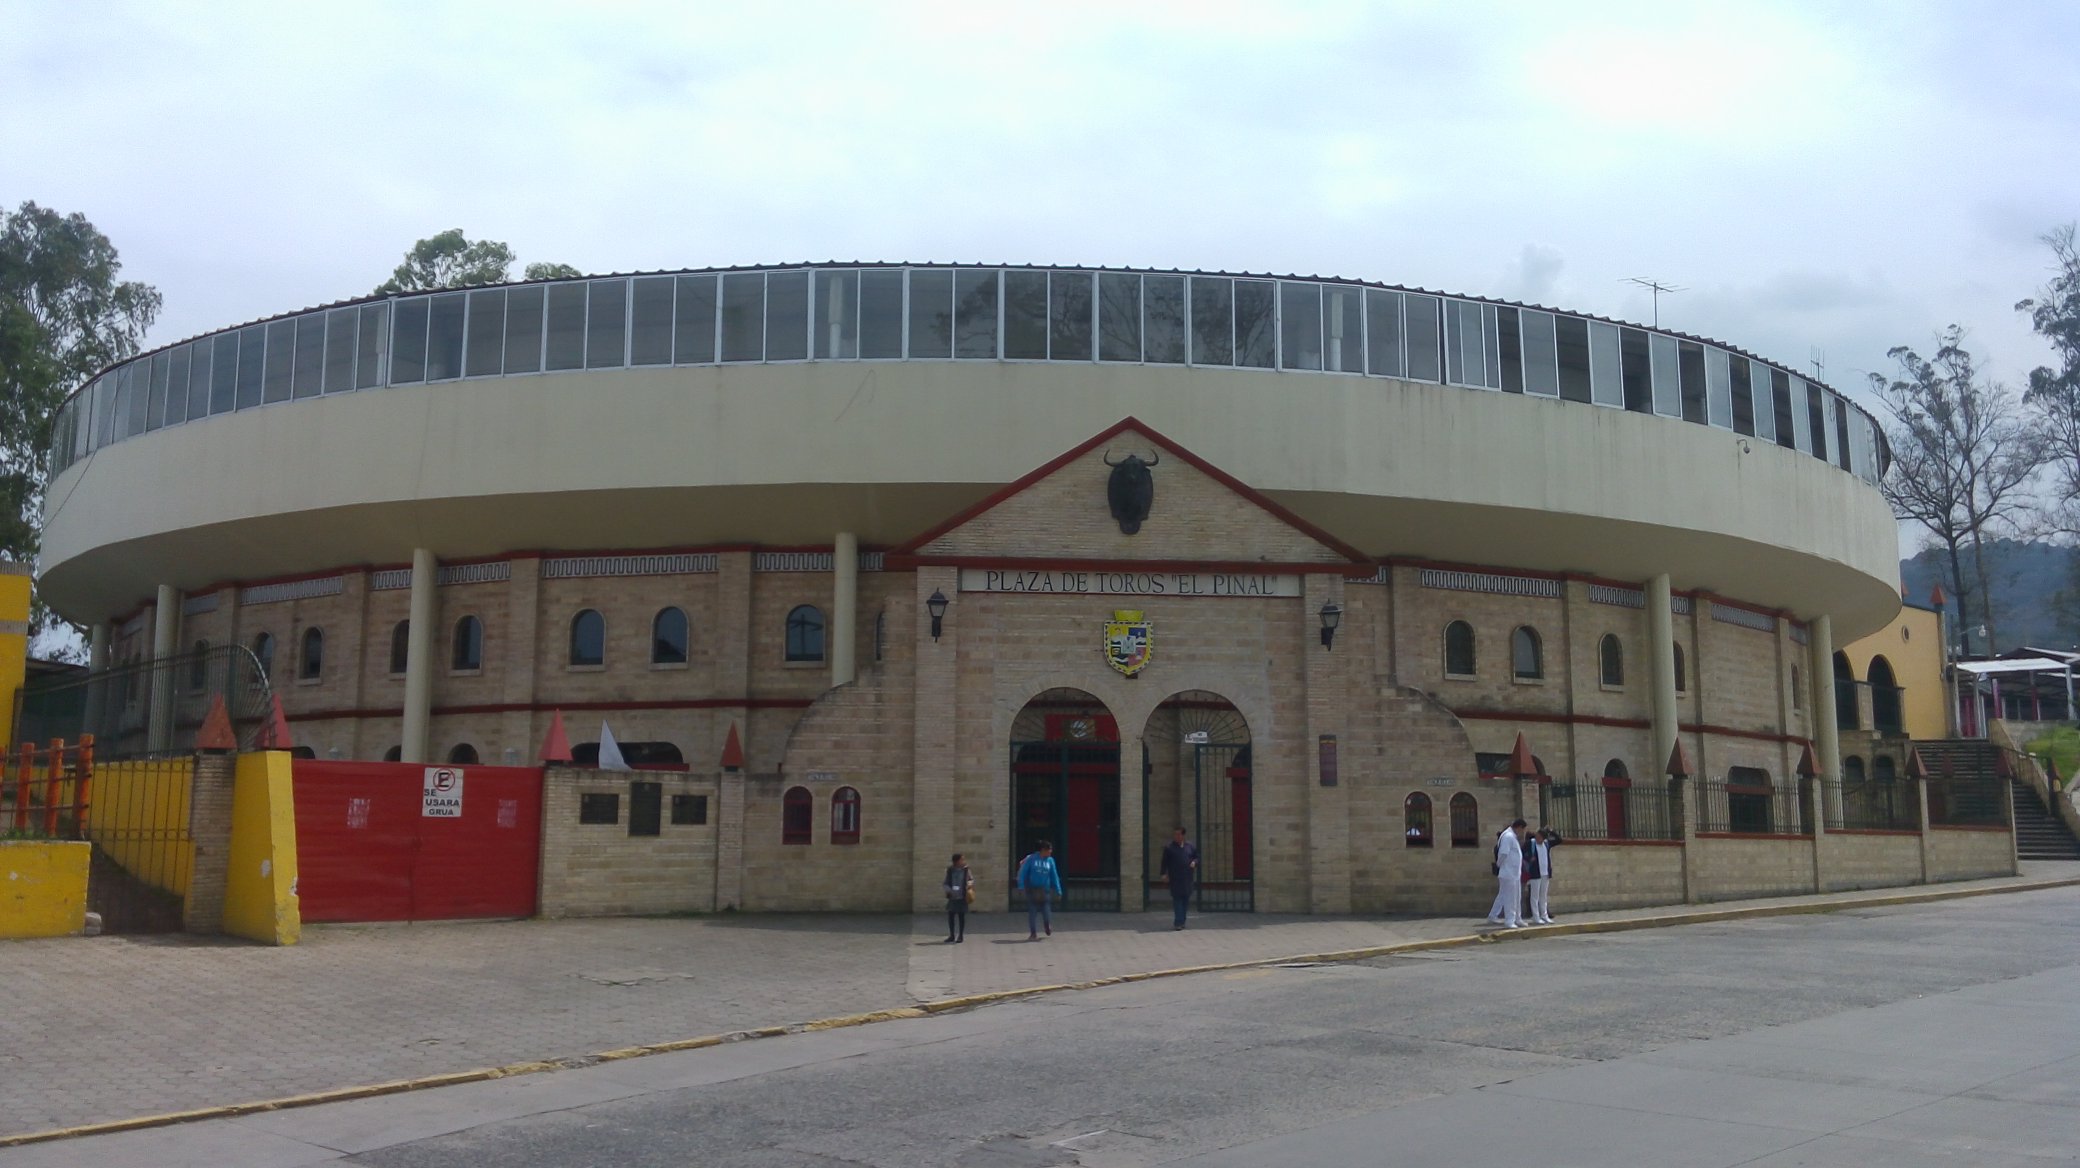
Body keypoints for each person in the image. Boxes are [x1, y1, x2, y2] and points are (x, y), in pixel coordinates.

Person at [1016, 840, 1063, 940]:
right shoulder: (1032, 859)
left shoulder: (1050, 861)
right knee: (1032, 911)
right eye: (1049, 850)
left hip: (1044, 890)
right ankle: (1033, 933)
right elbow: (1023, 872)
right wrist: (1021, 886)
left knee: (1046, 911)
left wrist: (1058, 889)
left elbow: (1054, 875)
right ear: (1043, 850)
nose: (1050, 852)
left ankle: (1047, 924)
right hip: (1032, 889)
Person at [1485, 819, 1526, 928]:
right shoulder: (1508, 837)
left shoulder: (1511, 836)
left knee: (1514, 896)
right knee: (1510, 898)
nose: (1522, 832)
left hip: (1514, 873)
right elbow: (1503, 853)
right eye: (1522, 830)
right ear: (1519, 827)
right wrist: (1499, 865)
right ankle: (1509, 920)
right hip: (1509, 872)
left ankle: (1517, 918)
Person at [1158, 827, 1199, 930]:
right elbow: (1164, 862)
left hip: (1187, 878)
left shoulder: (1190, 847)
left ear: (1183, 835)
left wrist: (1195, 862)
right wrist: (1163, 874)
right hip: (1175, 878)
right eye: (1175, 834)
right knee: (1177, 900)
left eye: (1178, 834)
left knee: (1185, 900)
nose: (1176, 836)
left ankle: (1183, 921)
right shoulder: (1169, 848)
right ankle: (1178, 923)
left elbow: (1197, 857)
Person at [1527, 828, 1562, 924]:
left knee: (1543, 896)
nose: (1537, 839)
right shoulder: (1531, 843)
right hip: (1535, 873)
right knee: (1534, 896)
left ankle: (1544, 915)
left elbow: (1559, 840)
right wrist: (1530, 859)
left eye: (1540, 837)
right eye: (1537, 836)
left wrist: (1551, 831)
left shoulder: (1547, 844)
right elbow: (1523, 853)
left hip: (1545, 873)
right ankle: (1535, 916)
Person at [942, 853, 973, 943]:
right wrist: (949, 891)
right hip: (953, 897)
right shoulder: (950, 870)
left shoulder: (966, 870)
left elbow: (971, 879)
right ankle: (952, 935)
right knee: (951, 916)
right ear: (956, 861)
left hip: (962, 896)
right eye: (961, 859)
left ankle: (960, 936)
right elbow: (945, 883)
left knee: (961, 916)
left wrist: (969, 884)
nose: (963, 861)